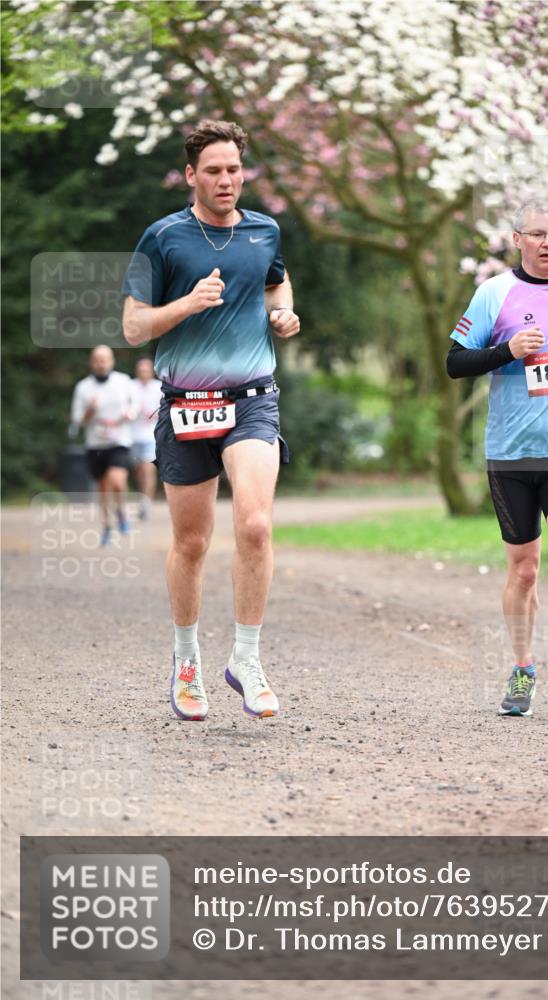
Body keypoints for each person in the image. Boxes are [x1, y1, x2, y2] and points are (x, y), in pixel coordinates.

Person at [122, 119, 300, 723]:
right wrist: (187, 304)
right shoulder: (162, 238)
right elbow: (133, 326)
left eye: (234, 169)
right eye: (214, 171)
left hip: (252, 398)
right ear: (191, 175)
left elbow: (276, 283)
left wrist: (283, 314)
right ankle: (186, 660)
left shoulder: (264, 230)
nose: (226, 180)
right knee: (192, 542)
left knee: (254, 524)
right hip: (186, 404)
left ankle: (246, 658)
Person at [447, 200, 548, 718]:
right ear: (517, 239)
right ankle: (522, 669)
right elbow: (455, 363)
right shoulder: (494, 293)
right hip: (511, 453)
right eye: (538, 234)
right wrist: (509, 351)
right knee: (524, 571)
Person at [70, 345, 138, 546]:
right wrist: (90, 410)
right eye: (97, 360)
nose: (101, 364)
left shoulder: (123, 381)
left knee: (117, 480)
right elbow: (78, 420)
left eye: (104, 359)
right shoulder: (83, 387)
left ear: (112, 361)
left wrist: (130, 414)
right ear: (92, 363)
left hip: (119, 441)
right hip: (95, 444)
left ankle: (121, 513)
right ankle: (107, 526)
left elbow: (135, 405)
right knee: (103, 488)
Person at [130, 356, 162, 519]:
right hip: (133, 435)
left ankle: (146, 503)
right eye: (141, 370)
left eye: (146, 370)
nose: (143, 372)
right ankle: (143, 496)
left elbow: (164, 409)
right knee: (138, 471)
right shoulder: (130, 387)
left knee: (148, 469)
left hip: (151, 435)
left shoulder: (159, 388)